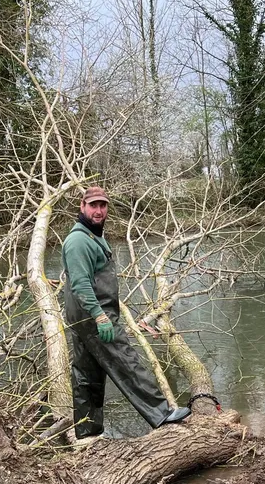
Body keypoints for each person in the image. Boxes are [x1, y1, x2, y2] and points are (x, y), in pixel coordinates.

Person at [62, 186, 191, 442]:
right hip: (95, 318)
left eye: (103, 205)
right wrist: (100, 317)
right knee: (127, 362)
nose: (98, 211)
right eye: (93, 205)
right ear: (82, 206)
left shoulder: (93, 236)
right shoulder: (78, 241)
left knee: (87, 377)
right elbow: (79, 283)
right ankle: (161, 414)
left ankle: (88, 433)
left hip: (84, 318)